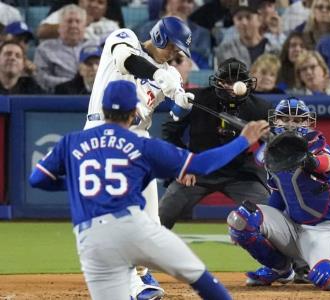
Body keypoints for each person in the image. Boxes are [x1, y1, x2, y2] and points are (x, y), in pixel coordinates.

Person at [29, 79, 269, 300]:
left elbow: (37, 179)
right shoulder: (141, 144)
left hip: (91, 239)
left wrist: (72, 186)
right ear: (135, 111)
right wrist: (243, 140)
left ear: (102, 109)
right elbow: (201, 165)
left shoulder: (71, 142)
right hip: (133, 228)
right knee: (198, 276)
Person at [83, 16, 194, 299]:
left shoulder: (169, 73)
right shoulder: (124, 37)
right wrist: (159, 76)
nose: (173, 53)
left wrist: (182, 102)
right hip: (103, 133)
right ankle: (132, 284)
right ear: (158, 37)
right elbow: (126, 60)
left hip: (138, 142)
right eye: (172, 46)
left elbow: (174, 114)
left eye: (178, 51)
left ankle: (140, 275)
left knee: (150, 221)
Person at [227, 97, 330, 290]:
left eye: (297, 120)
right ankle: (280, 270)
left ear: (308, 123)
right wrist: (250, 229)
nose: (290, 124)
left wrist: (306, 160)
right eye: (284, 118)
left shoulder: (317, 146)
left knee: (328, 278)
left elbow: (328, 163)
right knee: (240, 219)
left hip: (325, 229)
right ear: (275, 120)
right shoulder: (270, 153)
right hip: (292, 225)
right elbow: (277, 198)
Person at [159, 58, 273, 229]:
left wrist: (262, 158)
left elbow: (275, 142)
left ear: (248, 83)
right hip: (197, 169)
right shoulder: (195, 99)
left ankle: (278, 254)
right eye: (228, 81)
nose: (233, 87)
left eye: (239, 81)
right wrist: (183, 165)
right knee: (161, 216)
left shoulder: (260, 108)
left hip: (239, 172)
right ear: (218, 82)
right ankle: (144, 254)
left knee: (270, 214)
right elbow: (168, 131)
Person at [137, 0, 212, 69]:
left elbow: (204, 67)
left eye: (189, 1)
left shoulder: (203, 34)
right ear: (166, 3)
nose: (185, 5)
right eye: (181, 1)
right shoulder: (143, 29)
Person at [34, 4, 88, 92]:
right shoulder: (45, 49)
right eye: (69, 21)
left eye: (78, 21)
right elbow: (40, 78)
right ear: (59, 27)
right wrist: (71, 84)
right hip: (59, 96)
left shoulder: (94, 46)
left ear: (84, 27)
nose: (73, 25)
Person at [215, 0, 274, 69]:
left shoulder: (273, 49)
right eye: (239, 18)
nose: (244, 23)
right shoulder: (225, 50)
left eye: (248, 17)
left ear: (259, 19)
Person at [37, 0, 120, 42]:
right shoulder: (67, 12)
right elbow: (41, 32)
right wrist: (77, 24)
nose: (94, 5)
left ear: (105, 8)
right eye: (90, 0)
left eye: (100, 2)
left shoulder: (112, 26)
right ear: (80, 1)